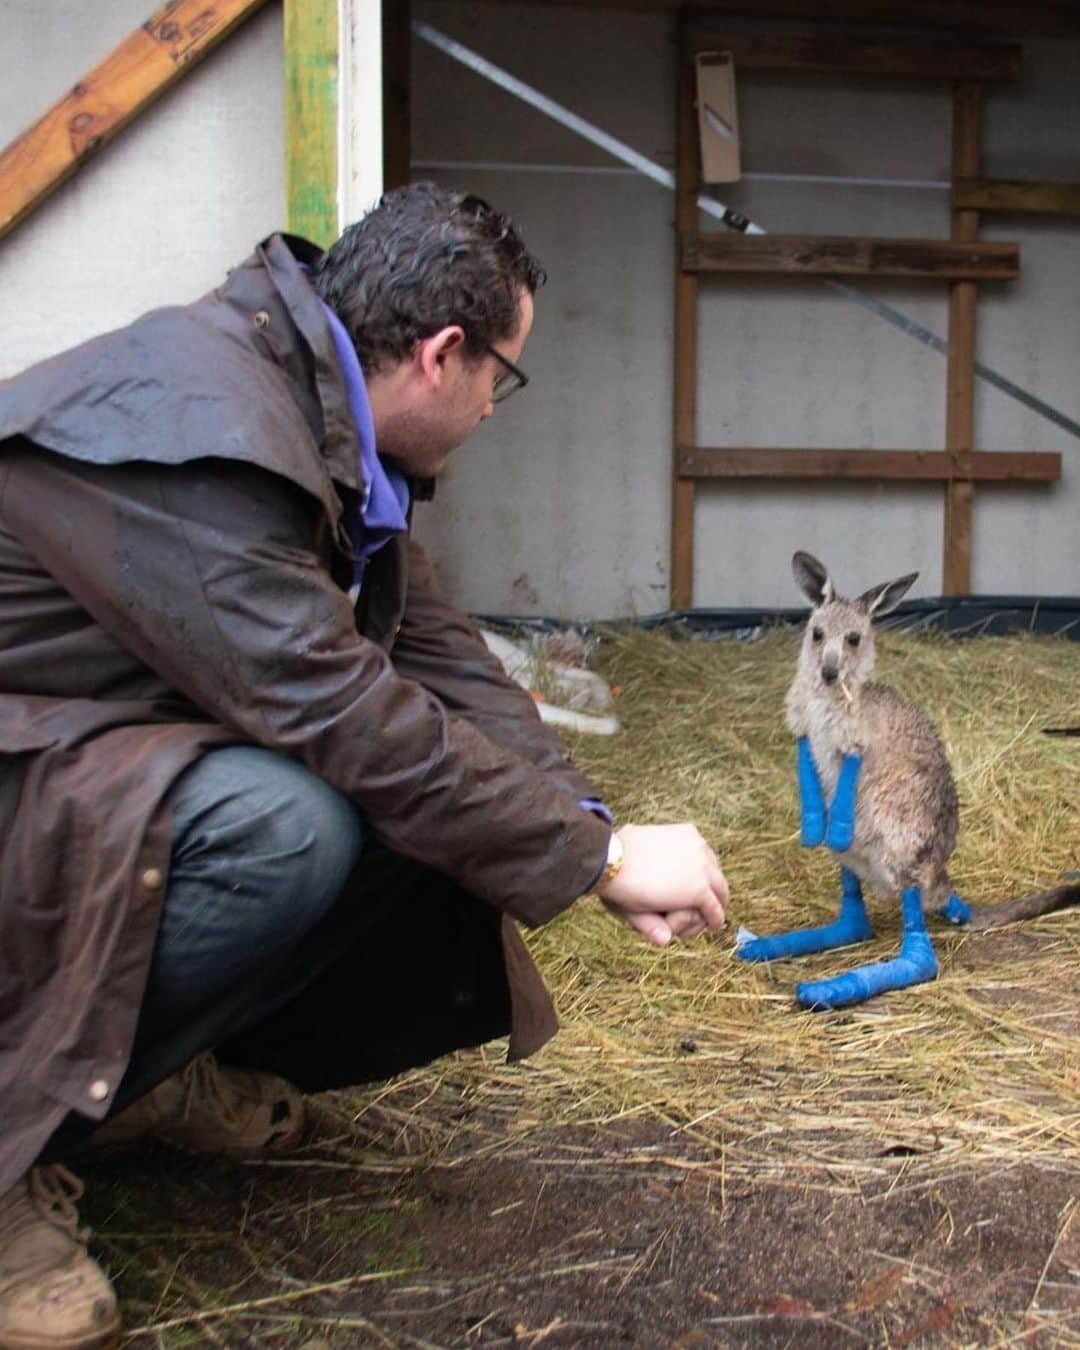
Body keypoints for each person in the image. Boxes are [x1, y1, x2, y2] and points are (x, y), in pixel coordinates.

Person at [0, 183, 728, 1349]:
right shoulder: (217, 441)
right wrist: (593, 859)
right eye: (505, 374)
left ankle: (127, 1080)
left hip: (68, 758)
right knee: (291, 824)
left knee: (424, 812)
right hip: (22, 770)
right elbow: (349, 715)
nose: (498, 406)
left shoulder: (312, 418)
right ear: (445, 355)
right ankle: (13, 1150)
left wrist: (587, 816)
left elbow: (442, 660)